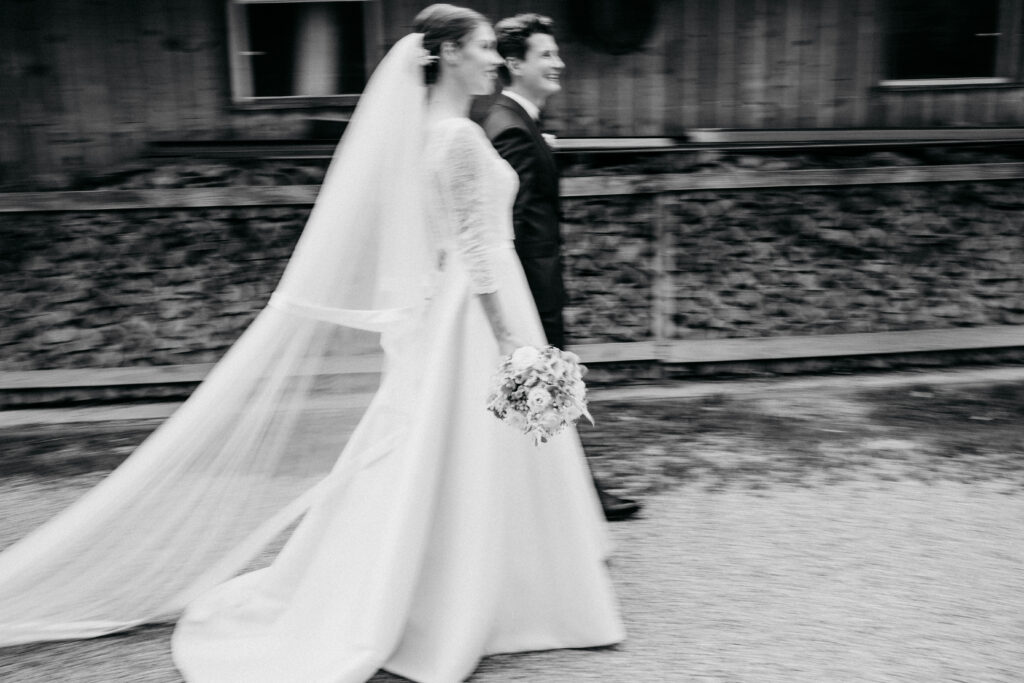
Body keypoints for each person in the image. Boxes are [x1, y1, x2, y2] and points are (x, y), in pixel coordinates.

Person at [0, 5, 624, 682]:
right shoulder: (455, 137)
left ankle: (491, 581)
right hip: (483, 308)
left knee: (458, 452)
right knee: (472, 449)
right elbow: (474, 250)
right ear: (446, 55)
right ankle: (492, 592)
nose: (494, 60)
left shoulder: (436, 132)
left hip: (467, 304)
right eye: (482, 48)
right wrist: (513, 343)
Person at [477, 13, 641, 521]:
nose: (559, 62)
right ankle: (575, 499)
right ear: (514, 64)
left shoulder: (517, 122)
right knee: (546, 391)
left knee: (542, 396)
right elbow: (516, 225)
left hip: (533, 284)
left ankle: (561, 495)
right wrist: (529, 305)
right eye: (545, 55)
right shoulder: (511, 128)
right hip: (529, 287)